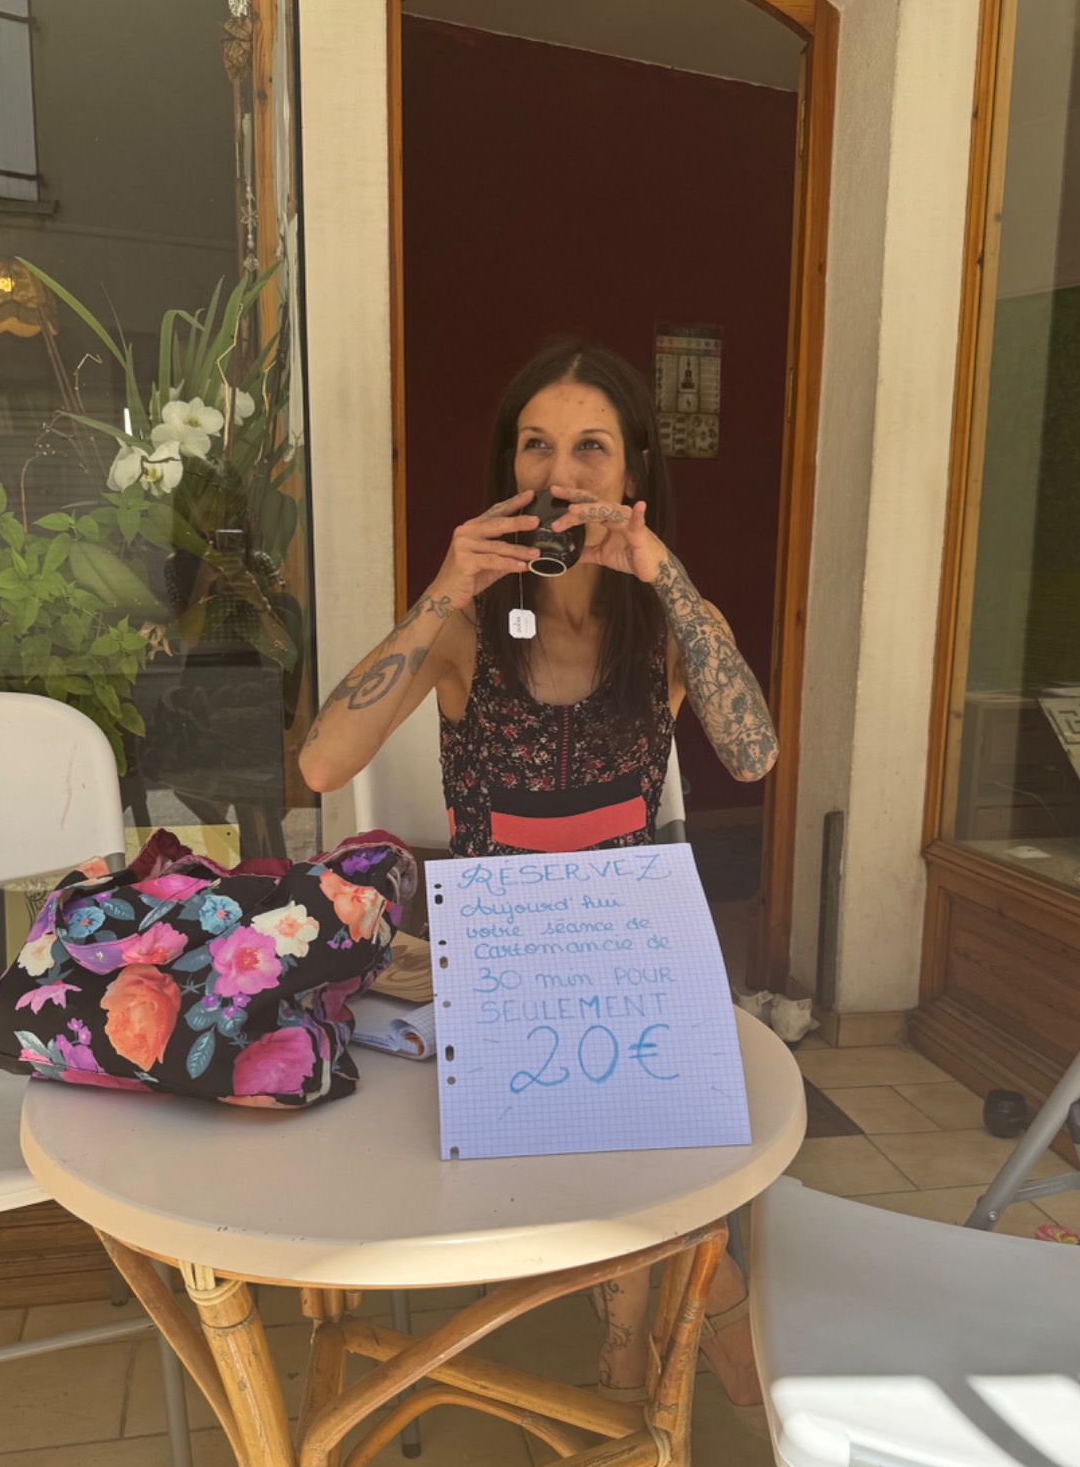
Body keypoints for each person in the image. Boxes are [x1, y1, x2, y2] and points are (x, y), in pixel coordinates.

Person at [299, 340, 778, 1404]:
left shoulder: (665, 629)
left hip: (631, 941)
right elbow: (323, 763)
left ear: (633, 473)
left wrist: (668, 575)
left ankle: (641, 1334)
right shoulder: (466, 630)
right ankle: (687, 1314)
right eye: (536, 447)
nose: (560, 476)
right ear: (508, 471)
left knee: (664, 1109)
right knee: (624, 1121)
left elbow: (753, 754)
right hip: (503, 953)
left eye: (590, 448)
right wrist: (444, 587)